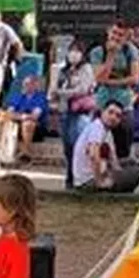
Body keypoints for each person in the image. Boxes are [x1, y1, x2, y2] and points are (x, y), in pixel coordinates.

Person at [89, 21, 139, 160]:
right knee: (96, 140)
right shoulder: (97, 52)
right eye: (114, 33)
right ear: (108, 32)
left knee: (124, 140)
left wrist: (110, 82)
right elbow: (99, 77)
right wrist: (110, 55)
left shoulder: (130, 51)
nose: (116, 37)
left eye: (120, 35)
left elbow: (135, 78)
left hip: (124, 102)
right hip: (102, 101)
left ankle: (123, 165)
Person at [49, 42, 97, 189]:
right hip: (64, 111)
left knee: (78, 145)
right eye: (71, 51)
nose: (73, 54)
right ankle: (70, 177)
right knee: (67, 148)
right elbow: (53, 88)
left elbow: (83, 89)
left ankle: (80, 178)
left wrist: (61, 93)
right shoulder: (63, 70)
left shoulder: (86, 69)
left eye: (77, 51)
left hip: (80, 112)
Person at [71, 102, 139, 193]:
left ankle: (114, 186)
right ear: (102, 112)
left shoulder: (108, 132)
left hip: (101, 172)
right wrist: (99, 182)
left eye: (118, 116)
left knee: (130, 162)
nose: (113, 117)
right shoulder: (97, 127)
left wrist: (118, 173)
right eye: (110, 112)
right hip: (87, 182)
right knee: (136, 171)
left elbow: (114, 162)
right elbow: (93, 155)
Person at [0, 74, 50, 165]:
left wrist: (18, 116)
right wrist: (22, 117)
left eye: (28, 84)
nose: (25, 86)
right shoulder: (18, 96)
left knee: (28, 123)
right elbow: (9, 113)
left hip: (36, 129)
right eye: (24, 84)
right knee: (1, 120)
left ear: (35, 85)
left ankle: (26, 153)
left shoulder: (40, 98)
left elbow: (34, 116)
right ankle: (3, 149)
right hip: (17, 126)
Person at [0, 9, 23, 94]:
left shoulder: (5, 29)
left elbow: (17, 43)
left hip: (2, 64)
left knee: (3, 88)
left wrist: (17, 57)